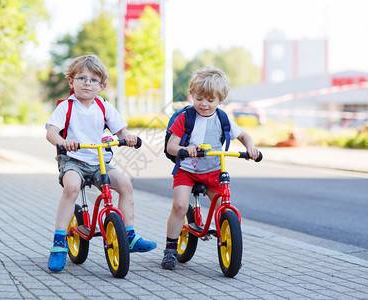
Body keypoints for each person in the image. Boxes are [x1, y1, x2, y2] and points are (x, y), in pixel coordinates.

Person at [45, 54, 156, 272]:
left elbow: (120, 130)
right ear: (71, 81)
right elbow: (51, 132)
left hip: (99, 161)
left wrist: (128, 137)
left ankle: (129, 236)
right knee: (72, 187)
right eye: (82, 78)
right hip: (73, 160)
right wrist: (63, 142)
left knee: (124, 184)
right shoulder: (66, 107)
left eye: (94, 80)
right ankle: (59, 244)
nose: (87, 83)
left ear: (102, 86)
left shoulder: (103, 106)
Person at [161, 66, 259, 270]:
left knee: (224, 206)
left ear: (220, 100)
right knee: (180, 206)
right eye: (199, 98)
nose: (203, 104)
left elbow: (244, 136)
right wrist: (185, 149)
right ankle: (170, 248)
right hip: (187, 170)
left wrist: (250, 147)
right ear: (192, 96)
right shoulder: (185, 117)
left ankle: (231, 250)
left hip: (213, 170)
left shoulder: (223, 119)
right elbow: (171, 146)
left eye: (210, 100)